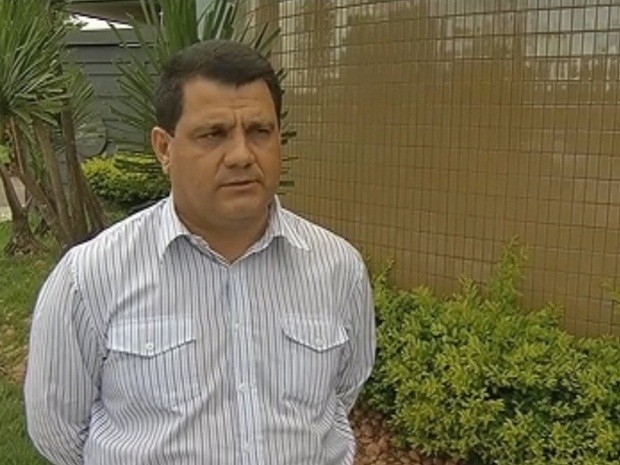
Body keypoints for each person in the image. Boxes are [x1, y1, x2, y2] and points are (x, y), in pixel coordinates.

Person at [24, 39, 375, 465]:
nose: (242, 155)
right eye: (213, 134)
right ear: (164, 148)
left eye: (260, 131)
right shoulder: (91, 277)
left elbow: (343, 391)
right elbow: (58, 431)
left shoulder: (337, 268)